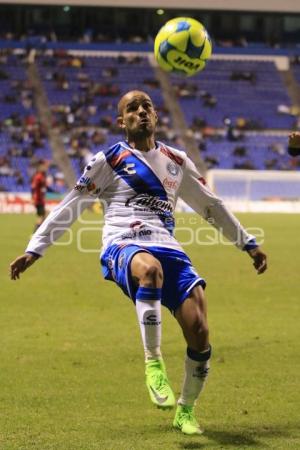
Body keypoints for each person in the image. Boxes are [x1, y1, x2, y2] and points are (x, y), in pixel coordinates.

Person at [10, 91, 267, 436]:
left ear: (156, 116)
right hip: (122, 244)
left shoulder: (176, 160)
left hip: (168, 246)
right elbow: (71, 205)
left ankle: (186, 410)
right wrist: (35, 249)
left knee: (200, 331)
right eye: (132, 108)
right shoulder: (109, 160)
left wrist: (247, 243)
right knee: (149, 270)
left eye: (147, 106)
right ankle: (153, 362)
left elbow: (212, 206)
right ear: (121, 121)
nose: (141, 111)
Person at [30, 161, 48, 231]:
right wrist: (32, 198)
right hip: (38, 200)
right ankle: (35, 233)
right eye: (44, 167)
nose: (45, 168)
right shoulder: (38, 177)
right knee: (41, 217)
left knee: (44, 215)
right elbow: (33, 187)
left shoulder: (42, 176)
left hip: (41, 200)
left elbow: (44, 188)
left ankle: (38, 232)